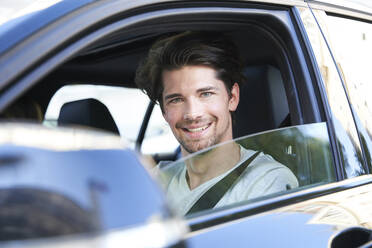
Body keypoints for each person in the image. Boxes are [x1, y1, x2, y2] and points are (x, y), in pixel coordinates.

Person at [135, 31, 298, 215]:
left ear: (232, 98)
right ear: (164, 111)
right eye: (176, 99)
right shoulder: (157, 181)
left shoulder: (267, 182)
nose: (192, 113)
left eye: (205, 94)